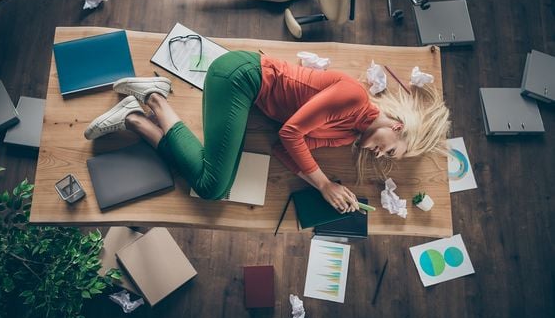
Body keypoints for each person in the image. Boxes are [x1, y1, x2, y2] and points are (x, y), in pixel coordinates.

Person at [85, 50, 450, 213]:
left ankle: (144, 107)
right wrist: (324, 184)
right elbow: (292, 133)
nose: (379, 155)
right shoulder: (354, 96)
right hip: (240, 77)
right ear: (396, 127)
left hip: (249, 97)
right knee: (212, 187)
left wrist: (325, 186)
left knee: (214, 187)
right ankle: (144, 108)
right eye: (390, 151)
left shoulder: (347, 136)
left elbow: (280, 149)